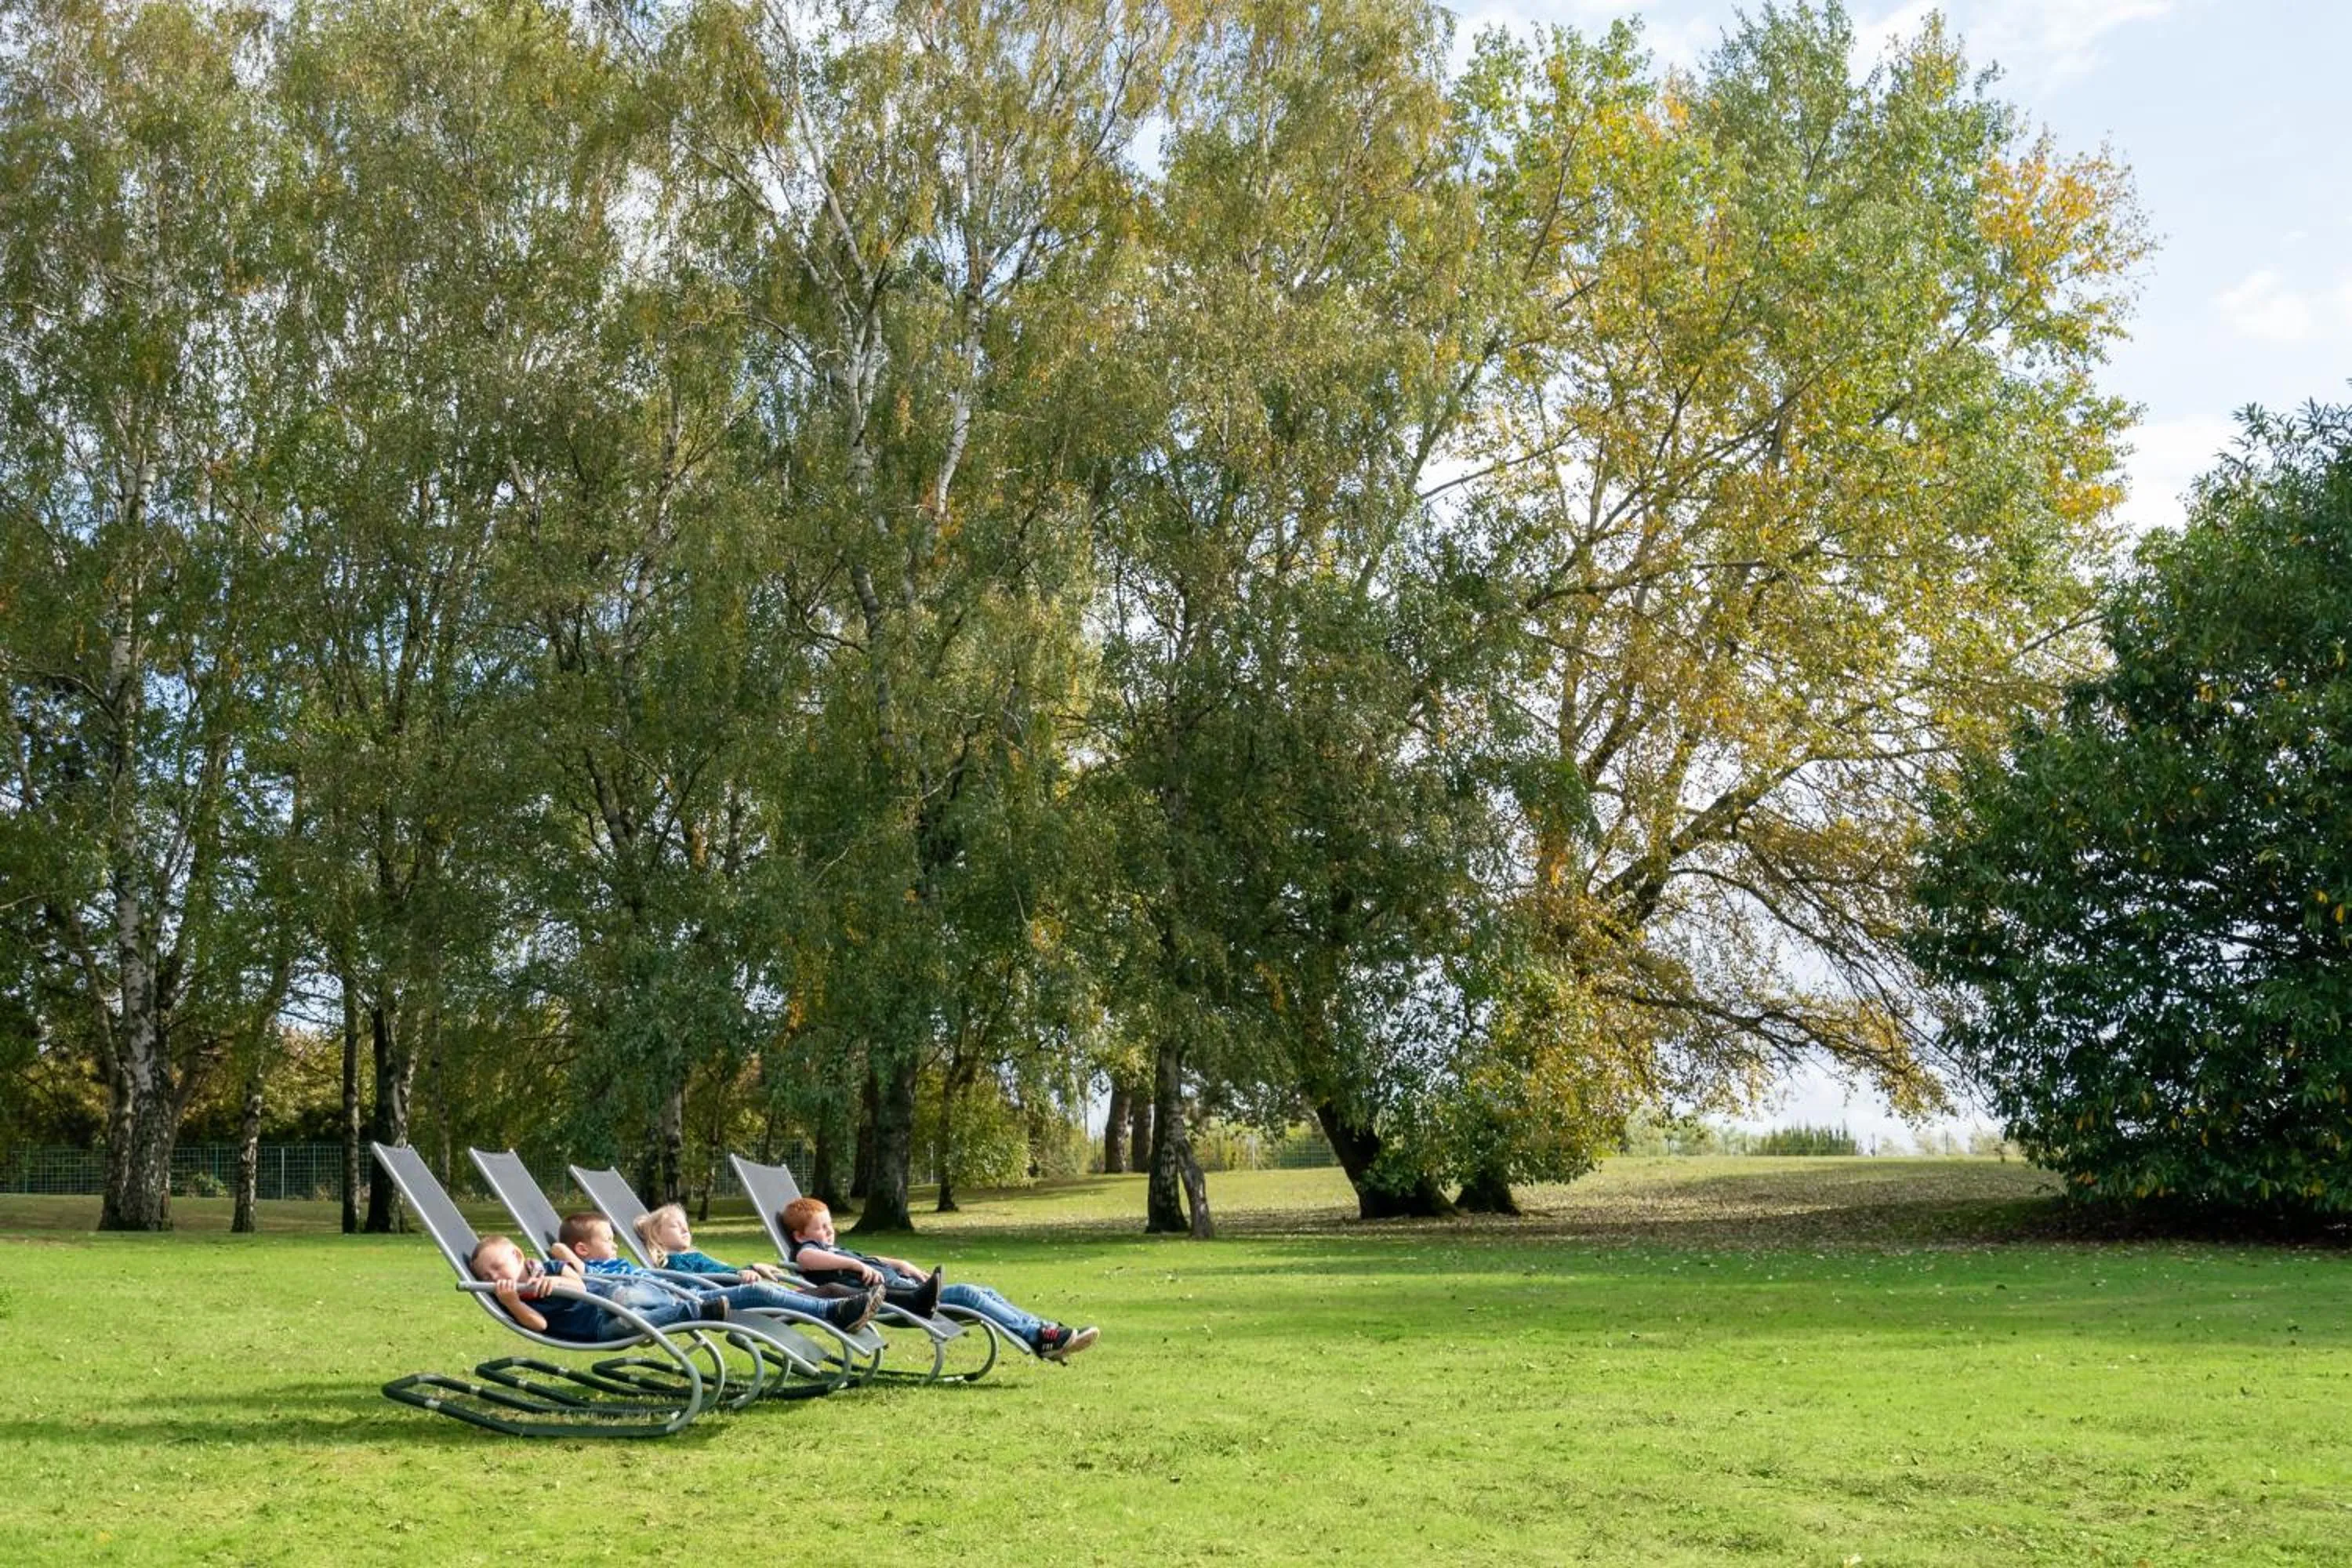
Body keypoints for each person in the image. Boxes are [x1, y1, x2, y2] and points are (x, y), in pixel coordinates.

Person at [779, 1195, 1099, 1363]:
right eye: (822, 1228)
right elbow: (804, 1259)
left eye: (830, 1224)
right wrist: (851, 1265)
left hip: (907, 1288)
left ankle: (1046, 1331)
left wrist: (898, 1262)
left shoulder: (835, 1248)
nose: (829, 1231)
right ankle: (1040, 1336)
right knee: (971, 1297)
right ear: (800, 1235)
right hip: (896, 1302)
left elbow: (870, 1260)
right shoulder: (809, 1252)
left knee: (981, 1290)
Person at [559, 1211, 881, 1334]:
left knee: (764, 1291)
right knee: (626, 1292)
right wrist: (567, 1257)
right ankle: (836, 1309)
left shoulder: (617, 1265)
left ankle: (834, 1311)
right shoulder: (587, 1270)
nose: (616, 1247)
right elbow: (561, 1254)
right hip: (674, 1298)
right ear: (583, 1250)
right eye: (608, 1240)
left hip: (683, 1292)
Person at [467, 1232, 727, 1341]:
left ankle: (694, 1302)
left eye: (498, 1267)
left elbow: (578, 1286)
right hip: (600, 1328)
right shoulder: (511, 1298)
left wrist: (554, 1282)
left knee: (625, 1294)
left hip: (610, 1299)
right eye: (486, 1276)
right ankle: (697, 1311)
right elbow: (540, 1326)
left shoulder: (550, 1269)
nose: (493, 1277)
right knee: (632, 1320)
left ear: (517, 1255)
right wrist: (514, 1302)